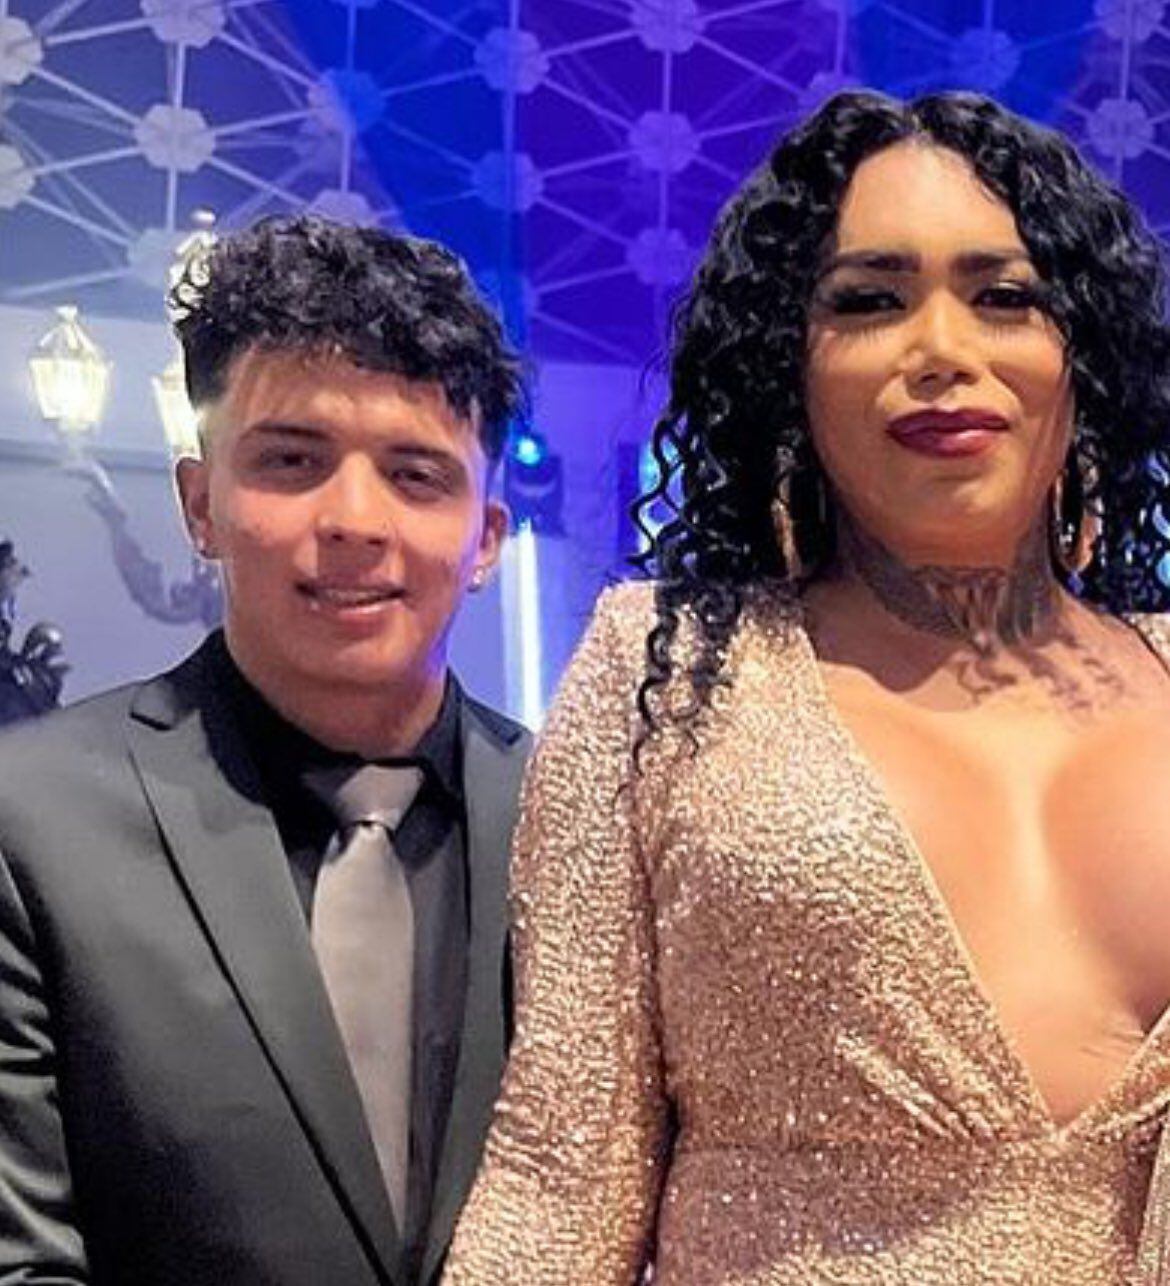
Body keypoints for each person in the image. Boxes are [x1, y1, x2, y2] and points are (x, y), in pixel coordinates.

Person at [442, 91, 1170, 1283]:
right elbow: (560, 1173)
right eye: (871, 300)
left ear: (1082, 359)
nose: (943, 350)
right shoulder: (666, 672)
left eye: (1005, 295)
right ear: (792, 370)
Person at [0, 215, 531, 1285]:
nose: (354, 520)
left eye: (416, 474)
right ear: (201, 503)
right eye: (293, 460)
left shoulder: (578, 822)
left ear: (484, 540)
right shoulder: (32, 821)